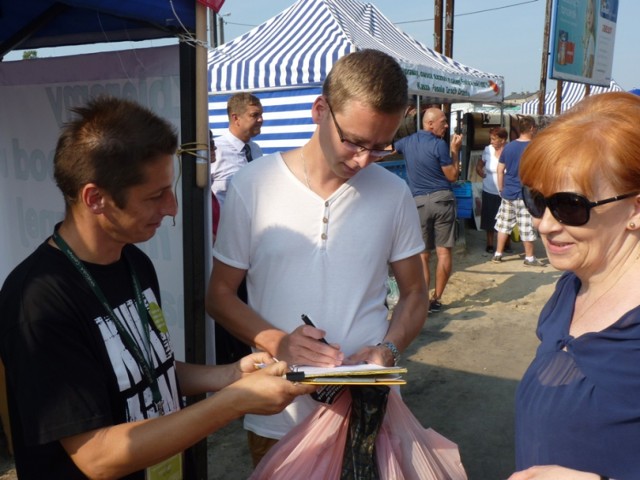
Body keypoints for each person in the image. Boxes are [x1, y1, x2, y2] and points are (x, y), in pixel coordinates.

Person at [0, 96, 314, 479]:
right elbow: (95, 456)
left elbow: (147, 369)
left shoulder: (133, 261)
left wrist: (230, 375)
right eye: (155, 196)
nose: (172, 208)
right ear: (95, 198)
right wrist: (236, 401)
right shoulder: (38, 300)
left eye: (170, 189)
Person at [206, 49, 427, 466]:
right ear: (320, 110)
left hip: (368, 412)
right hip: (277, 412)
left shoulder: (393, 193)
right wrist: (280, 343)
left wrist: (388, 349)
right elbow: (219, 296)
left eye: (380, 148)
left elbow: (416, 292)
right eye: (355, 141)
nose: (363, 160)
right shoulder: (253, 185)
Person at [509, 92, 640, 480]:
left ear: (635, 210)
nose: (544, 224)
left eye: (570, 206)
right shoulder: (571, 288)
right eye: (538, 202)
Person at [394, 107, 463, 312]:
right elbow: (452, 176)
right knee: (443, 252)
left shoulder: (406, 142)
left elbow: (387, 150)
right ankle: (437, 299)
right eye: (443, 121)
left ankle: (423, 299)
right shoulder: (439, 145)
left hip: (419, 204)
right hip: (442, 200)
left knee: (423, 255)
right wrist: (455, 151)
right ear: (430, 123)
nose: (447, 125)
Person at [492, 115, 542, 266]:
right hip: (526, 194)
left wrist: (501, 188)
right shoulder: (534, 148)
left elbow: (500, 170)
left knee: (503, 224)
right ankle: (529, 258)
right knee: (526, 226)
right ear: (532, 128)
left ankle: (498, 254)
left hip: (508, 192)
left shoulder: (509, 147)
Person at [210, 92, 263, 207]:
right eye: (254, 115)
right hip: (223, 224)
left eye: (261, 115)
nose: (260, 120)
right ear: (236, 118)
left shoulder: (256, 150)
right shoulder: (215, 151)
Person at [476, 127, 509, 253]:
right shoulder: (487, 150)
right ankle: (490, 244)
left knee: (506, 218)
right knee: (489, 217)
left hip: (505, 190)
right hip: (489, 188)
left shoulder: (509, 150)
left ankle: (506, 243)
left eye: (494, 139)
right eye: (491, 139)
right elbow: (480, 164)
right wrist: (480, 171)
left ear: (503, 140)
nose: (492, 141)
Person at [582, 0, 596, 78]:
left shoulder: (591, 40)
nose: (589, 17)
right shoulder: (586, 39)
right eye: (588, 12)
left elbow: (590, 68)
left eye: (591, 12)